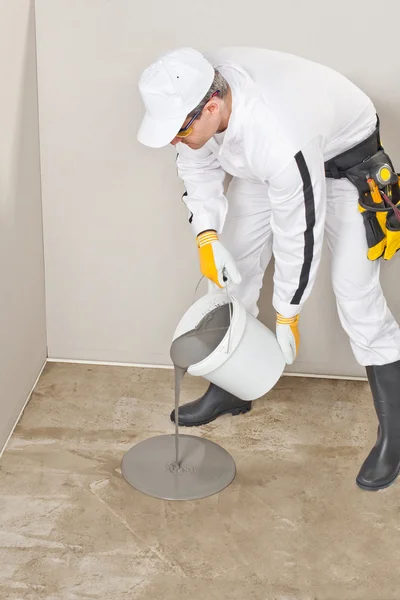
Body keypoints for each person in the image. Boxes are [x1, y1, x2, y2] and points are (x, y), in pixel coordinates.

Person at [137, 47, 400, 491]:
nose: (174, 140)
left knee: (356, 296)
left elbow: (301, 232)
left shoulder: (276, 130)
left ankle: (395, 434)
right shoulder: (198, 96)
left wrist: (288, 313)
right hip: (268, 165)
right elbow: (196, 170)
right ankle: (232, 388)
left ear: (213, 107)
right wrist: (207, 236)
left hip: (344, 165)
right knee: (229, 273)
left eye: (179, 130)